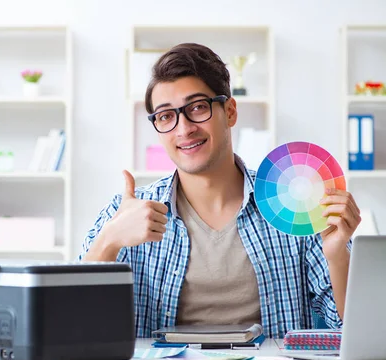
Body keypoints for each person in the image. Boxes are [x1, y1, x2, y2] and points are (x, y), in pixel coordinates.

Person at [77, 43, 361, 339]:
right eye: (165, 116)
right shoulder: (127, 212)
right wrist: (108, 240)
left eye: (197, 107)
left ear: (230, 111)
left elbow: (352, 331)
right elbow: (74, 325)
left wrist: (337, 254)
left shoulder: (295, 204)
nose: (183, 129)